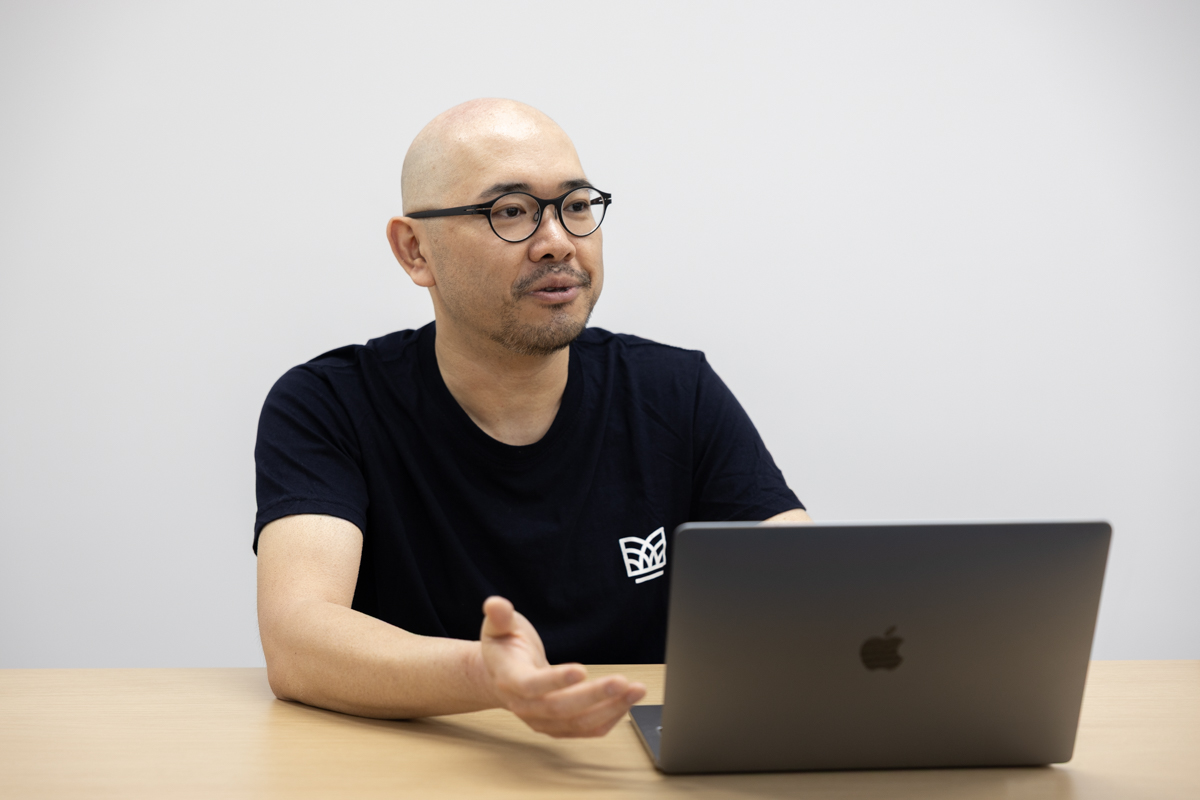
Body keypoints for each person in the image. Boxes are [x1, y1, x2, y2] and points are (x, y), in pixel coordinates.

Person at [253, 98, 810, 739]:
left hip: (630, 761)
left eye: (576, 205)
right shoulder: (329, 405)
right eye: (510, 211)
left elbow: (806, 589)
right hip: (423, 761)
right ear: (414, 250)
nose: (558, 243)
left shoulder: (675, 392)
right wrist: (485, 677)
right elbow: (298, 639)